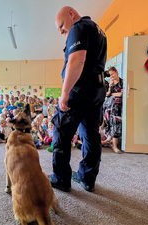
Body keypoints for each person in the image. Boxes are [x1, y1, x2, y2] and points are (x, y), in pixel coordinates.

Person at [48, 6, 107, 193]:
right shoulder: (98, 30)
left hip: (81, 88)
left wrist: (64, 94)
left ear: (71, 14)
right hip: (97, 89)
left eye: (62, 25)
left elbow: (77, 60)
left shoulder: (79, 27)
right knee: (90, 134)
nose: (61, 31)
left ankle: (61, 179)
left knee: (60, 127)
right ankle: (87, 178)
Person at [103, 66, 123, 153]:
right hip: (110, 105)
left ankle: (113, 144)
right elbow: (107, 95)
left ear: (116, 72)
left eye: (112, 74)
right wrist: (110, 87)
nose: (111, 76)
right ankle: (110, 141)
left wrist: (113, 94)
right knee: (109, 121)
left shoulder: (122, 82)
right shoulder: (110, 83)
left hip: (117, 105)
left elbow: (122, 94)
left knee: (115, 121)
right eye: (110, 75)